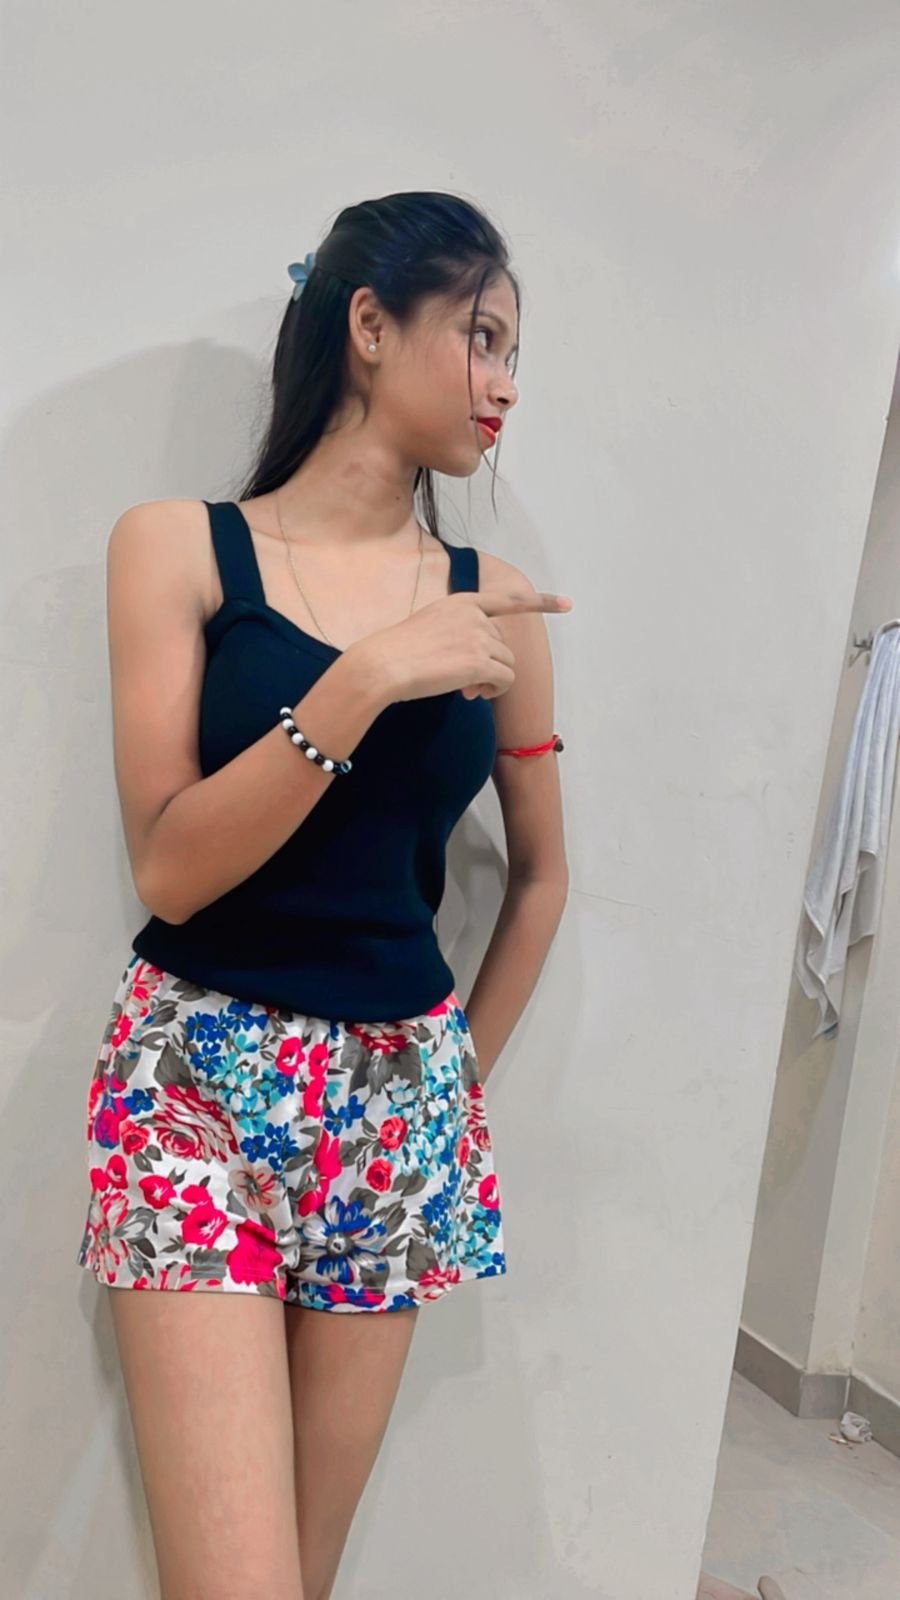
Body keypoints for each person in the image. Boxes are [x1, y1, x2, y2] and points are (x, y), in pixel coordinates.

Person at [76, 190, 573, 1600]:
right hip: (193, 1078)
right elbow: (171, 864)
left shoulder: (496, 604)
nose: (504, 384)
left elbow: (541, 877)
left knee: (300, 1576)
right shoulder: (176, 548)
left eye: (515, 355)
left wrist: (451, 1089)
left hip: (396, 1102)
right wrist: (363, 680)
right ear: (369, 324)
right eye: (482, 336)